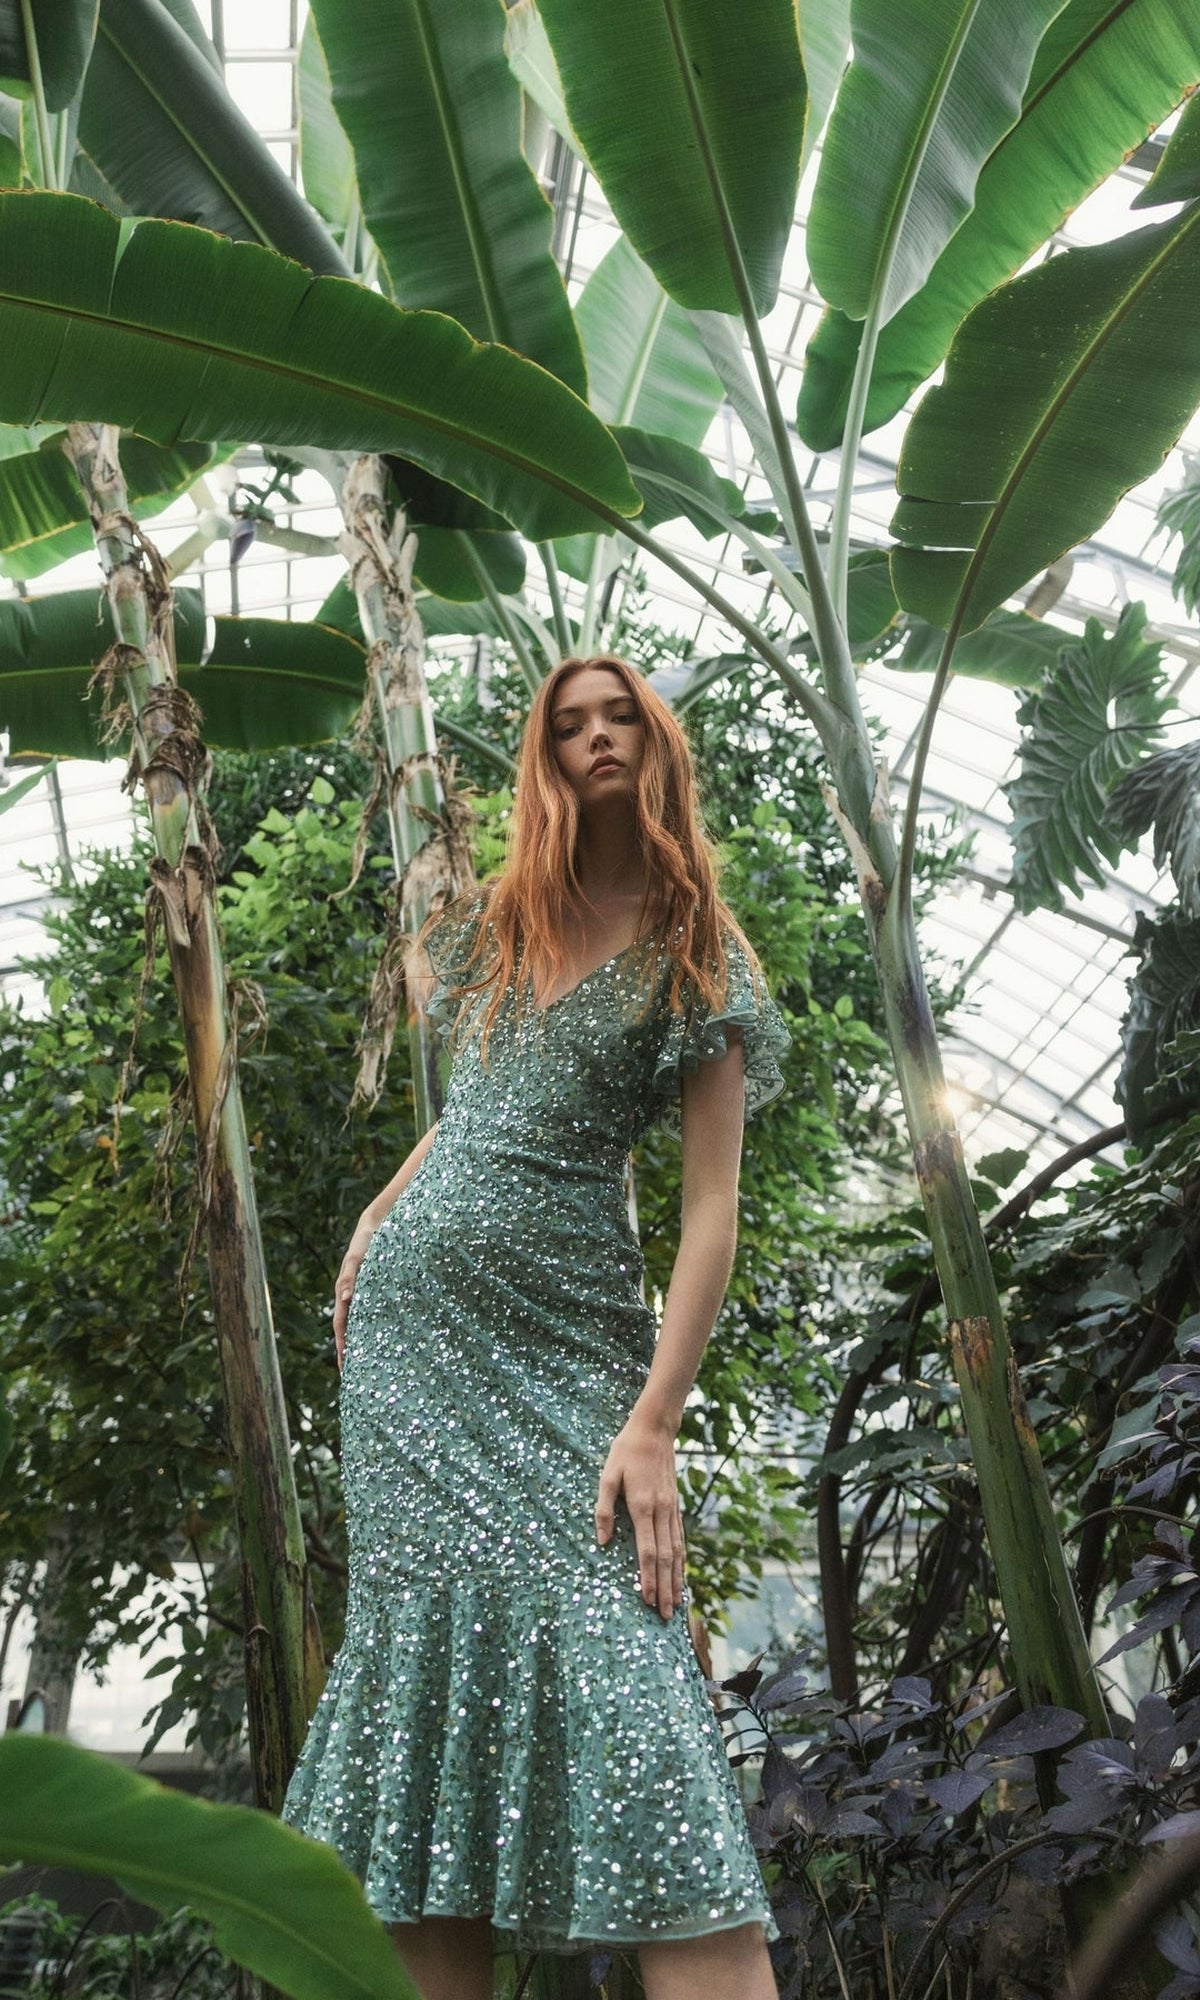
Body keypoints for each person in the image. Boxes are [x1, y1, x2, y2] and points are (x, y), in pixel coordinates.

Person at [281, 654, 791, 2000]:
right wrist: (381, 1210)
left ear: (657, 742)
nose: (598, 738)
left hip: (569, 1365)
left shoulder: (698, 950)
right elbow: (481, 1108)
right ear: (545, 759)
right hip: (412, 1373)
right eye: (570, 725)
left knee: (626, 1679)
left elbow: (709, 1212)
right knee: (426, 1695)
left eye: (621, 716)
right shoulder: (493, 926)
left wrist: (656, 1420)